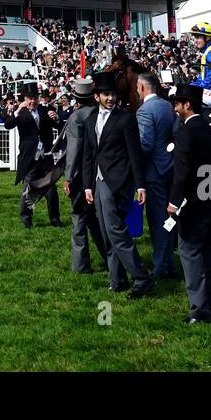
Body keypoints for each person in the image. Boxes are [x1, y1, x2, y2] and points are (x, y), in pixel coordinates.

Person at [81, 72, 154, 297]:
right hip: (98, 181)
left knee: (116, 231)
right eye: (106, 94)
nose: (111, 98)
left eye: (113, 94)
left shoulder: (125, 118)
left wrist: (140, 185)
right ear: (97, 97)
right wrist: (87, 186)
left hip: (118, 181)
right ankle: (117, 279)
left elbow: (135, 155)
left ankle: (141, 278)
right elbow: (88, 155)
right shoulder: (91, 119)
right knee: (105, 233)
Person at [167, 84, 211, 324]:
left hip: (191, 202)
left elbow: (182, 172)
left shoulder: (185, 133)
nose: (174, 107)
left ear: (186, 105)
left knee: (190, 254)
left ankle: (200, 310)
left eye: (177, 103)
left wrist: (173, 202)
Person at [136, 72, 180, 281]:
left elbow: (144, 144)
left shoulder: (144, 111)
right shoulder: (167, 106)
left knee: (158, 221)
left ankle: (162, 266)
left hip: (154, 171)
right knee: (169, 218)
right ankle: (168, 263)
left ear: (142, 88)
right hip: (170, 167)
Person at [62, 76, 108, 274]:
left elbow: (73, 150)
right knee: (95, 220)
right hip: (103, 173)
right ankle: (109, 256)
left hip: (82, 174)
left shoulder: (77, 117)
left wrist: (68, 177)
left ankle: (80, 265)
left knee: (79, 218)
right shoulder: (103, 113)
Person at [6, 81, 63, 228]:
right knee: (27, 188)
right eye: (29, 98)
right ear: (25, 99)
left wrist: (57, 118)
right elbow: (8, 125)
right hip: (29, 158)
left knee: (51, 189)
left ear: (38, 98)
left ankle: (55, 218)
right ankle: (26, 217)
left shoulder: (45, 111)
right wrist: (17, 110)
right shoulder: (21, 113)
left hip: (46, 158)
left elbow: (60, 126)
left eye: (35, 98)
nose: (32, 101)